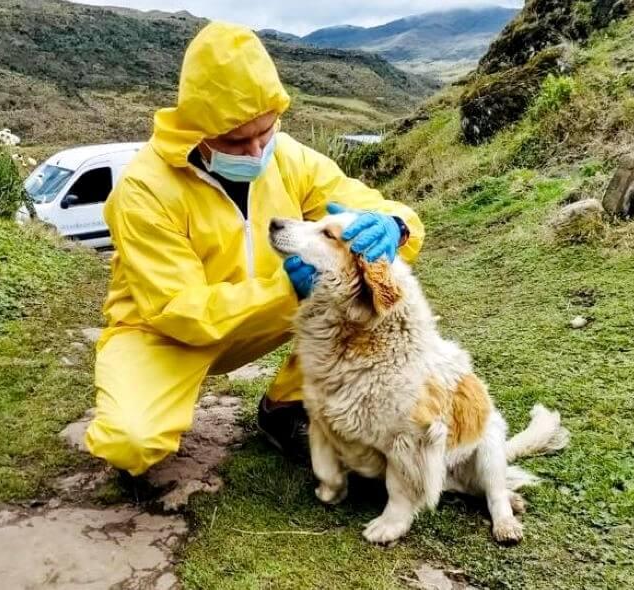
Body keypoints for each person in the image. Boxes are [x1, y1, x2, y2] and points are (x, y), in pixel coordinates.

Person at [83, 21, 425, 476]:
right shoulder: (143, 189)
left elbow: (368, 207)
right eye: (235, 140)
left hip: (267, 316)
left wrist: (394, 225)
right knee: (130, 443)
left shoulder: (290, 158)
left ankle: (287, 405)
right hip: (165, 332)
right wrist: (286, 289)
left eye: (264, 132)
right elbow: (181, 309)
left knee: (367, 292)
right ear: (197, 130)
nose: (254, 150)